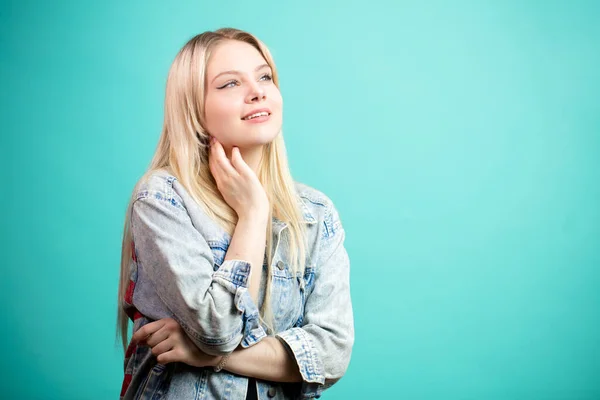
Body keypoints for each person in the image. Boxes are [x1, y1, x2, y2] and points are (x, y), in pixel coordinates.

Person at [115, 27, 354, 399]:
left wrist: (213, 358)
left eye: (264, 77)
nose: (257, 90)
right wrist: (254, 214)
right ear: (195, 111)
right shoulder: (162, 199)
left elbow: (332, 355)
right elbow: (219, 330)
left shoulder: (316, 214)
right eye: (229, 84)